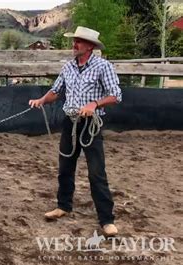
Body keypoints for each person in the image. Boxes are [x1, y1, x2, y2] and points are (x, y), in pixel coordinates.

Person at [29, 26, 122, 237]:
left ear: (90, 46)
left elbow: (116, 95)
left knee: (96, 172)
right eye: (74, 41)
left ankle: (106, 219)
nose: (74, 44)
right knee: (65, 167)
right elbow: (56, 90)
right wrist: (42, 100)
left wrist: (94, 104)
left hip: (91, 124)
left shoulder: (102, 66)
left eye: (79, 41)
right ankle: (63, 206)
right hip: (70, 122)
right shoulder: (68, 67)